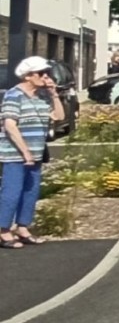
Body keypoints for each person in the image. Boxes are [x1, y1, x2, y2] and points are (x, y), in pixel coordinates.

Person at [0, 57, 65, 247]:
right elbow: (10, 125)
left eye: (47, 73)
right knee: (12, 191)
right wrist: (25, 151)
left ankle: (23, 227)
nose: (46, 77)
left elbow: (58, 116)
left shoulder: (42, 96)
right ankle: (3, 231)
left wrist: (54, 94)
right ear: (28, 76)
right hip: (16, 153)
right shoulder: (14, 95)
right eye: (41, 73)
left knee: (30, 191)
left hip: (36, 152)